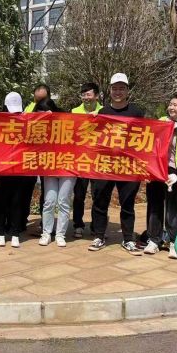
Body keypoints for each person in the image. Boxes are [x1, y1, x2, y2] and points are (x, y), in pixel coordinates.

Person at [87, 73, 146, 254]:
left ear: (127, 91)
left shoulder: (137, 112)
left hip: (128, 166)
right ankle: (99, 236)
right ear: (110, 90)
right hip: (105, 165)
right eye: (115, 88)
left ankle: (128, 239)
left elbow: (145, 137)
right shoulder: (102, 113)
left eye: (122, 88)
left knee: (127, 203)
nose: (118, 92)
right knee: (100, 201)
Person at [143, 94, 177, 258]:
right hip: (157, 170)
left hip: (175, 171)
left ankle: (173, 242)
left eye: (175, 105)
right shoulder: (161, 122)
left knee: (172, 209)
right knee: (154, 205)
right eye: (170, 104)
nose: (171, 107)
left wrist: (176, 175)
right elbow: (150, 145)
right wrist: (148, 169)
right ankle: (154, 240)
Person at [0, 92, 34, 248]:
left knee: (17, 201)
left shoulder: (26, 122)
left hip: (19, 169)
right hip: (2, 169)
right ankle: (0, 232)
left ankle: (15, 232)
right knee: (0, 200)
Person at [34, 98, 74, 247]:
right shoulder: (37, 127)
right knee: (49, 201)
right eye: (39, 114)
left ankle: (60, 234)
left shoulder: (67, 121)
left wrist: (55, 119)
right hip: (49, 166)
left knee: (63, 201)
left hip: (67, 166)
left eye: (44, 114)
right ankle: (46, 233)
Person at [71, 82, 103, 238]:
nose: (85, 98)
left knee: (99, 195)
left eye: (88, 94)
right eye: (83, 95)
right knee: (79, 195)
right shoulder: (74, 112)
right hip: (80, 159)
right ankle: (78, 224)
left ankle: (97, 226)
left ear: (96, 96)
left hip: (98, 160)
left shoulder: (104, 112)